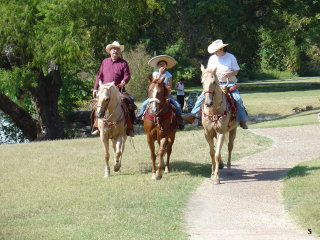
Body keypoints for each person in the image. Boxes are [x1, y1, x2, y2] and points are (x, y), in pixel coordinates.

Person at [184, 39, 248, 129]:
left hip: (228, 83)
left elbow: (236, 71)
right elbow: (209, 72)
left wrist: (229, 74)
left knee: (237, 99)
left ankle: (242, 120)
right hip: (214, 84)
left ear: (221, 49)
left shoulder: (231, 57)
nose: (214, 52)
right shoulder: (212, 58)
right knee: (202, 97)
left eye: (216, 50)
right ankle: (193, 116)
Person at [91, 41, 135, 136]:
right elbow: (99, 76)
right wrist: (95, 88)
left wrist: (124, 81)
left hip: (118, 90)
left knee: (129, 104)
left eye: (117, 49)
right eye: (113, 49)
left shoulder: (123, 63)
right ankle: (97, 127)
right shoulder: (105, 62)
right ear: (110, 51)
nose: (115, 51)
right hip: (105, 91)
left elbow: (127, 75)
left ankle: (129, 127)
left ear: (120, 51)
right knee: (96, 106)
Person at [136, 55, 184, 129]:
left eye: (163, 64)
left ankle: (180, 120)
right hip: (155, 95)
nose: (162, 66)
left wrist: (167, 95)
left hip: (166, 95)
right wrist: (160, 74)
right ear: (158, 66)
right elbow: (155, 83)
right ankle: (139, 117)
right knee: (143, 104)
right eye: (160, 64)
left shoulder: (169, 75)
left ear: (166, 66)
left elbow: (170, 86)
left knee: (177, 105)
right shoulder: (155, 73)